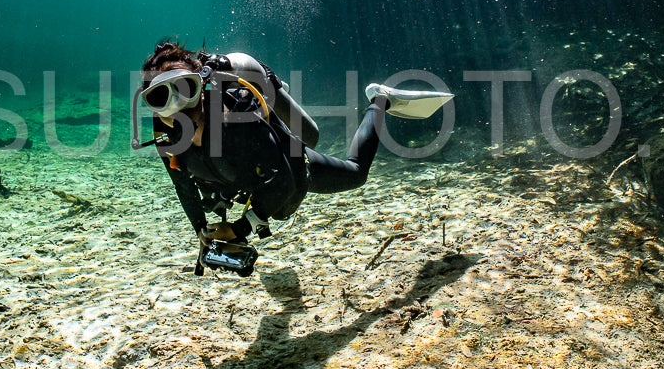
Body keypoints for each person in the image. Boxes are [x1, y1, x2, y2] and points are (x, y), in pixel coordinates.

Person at [131, 41, 453, 276]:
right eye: (160, 98)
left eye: (183, 89)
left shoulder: (238, 116)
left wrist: (241, 229)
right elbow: (184, 186)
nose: (177, 108)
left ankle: (379, 101)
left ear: (200, 87)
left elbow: (286, 183)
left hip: (285, 162)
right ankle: (273, 99)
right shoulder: (166, 134)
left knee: (345, 165)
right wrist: (202, 234)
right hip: (240, 175)